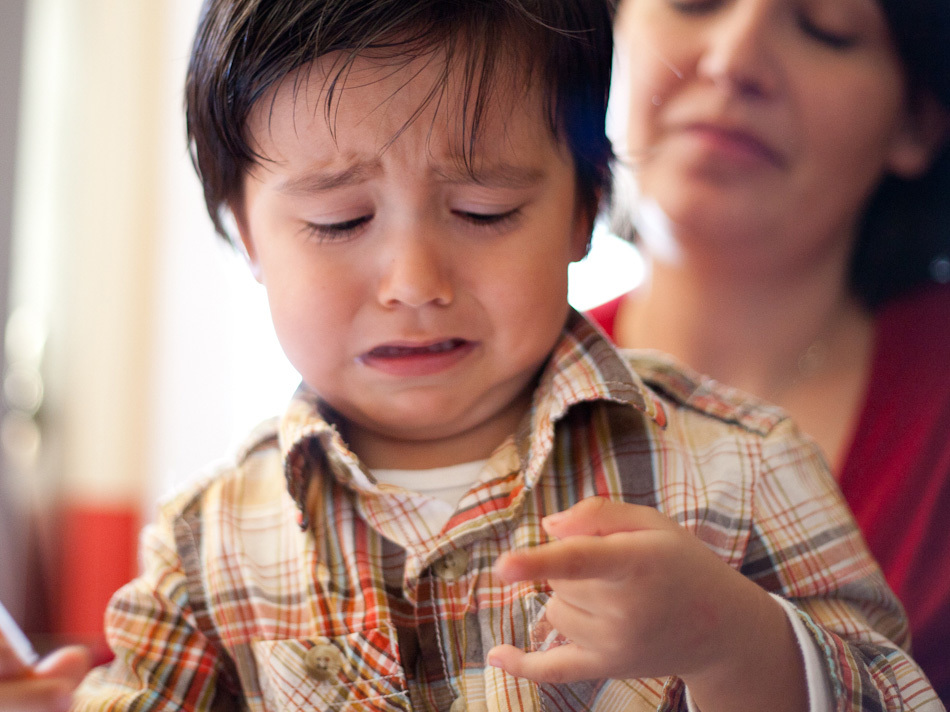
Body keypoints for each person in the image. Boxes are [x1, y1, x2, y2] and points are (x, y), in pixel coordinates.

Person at [0, 0, 943, 709]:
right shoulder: (208, 543)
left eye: (483, 212)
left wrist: (740, 644)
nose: (413, 279)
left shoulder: (741, 464)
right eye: (339, 220)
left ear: (581, 209)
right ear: (245, 233)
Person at [588, 0, 950, 699]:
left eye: (827, 30)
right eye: (695, 2)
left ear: (917, 119)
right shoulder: (482, 379)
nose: (733, 63)